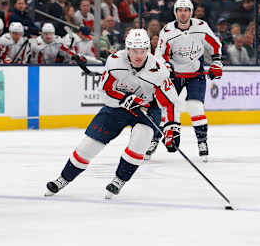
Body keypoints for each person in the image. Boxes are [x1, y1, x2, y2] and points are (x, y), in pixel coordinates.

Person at [45, 29, 180, 198]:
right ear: (127, 49)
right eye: (134, 51)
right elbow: (105, 92)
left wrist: (172, 129)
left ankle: (119, 180)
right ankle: (62, 179)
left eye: (143, 51)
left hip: (147, 108)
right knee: (90, 144)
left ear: (148, 50)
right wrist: (125, 99)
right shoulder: (115, 61)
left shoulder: (159, 70)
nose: (139, 55)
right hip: (118, 106)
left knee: (141, 137)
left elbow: (170, 102)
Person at [150, 0, 222, 162]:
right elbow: (160, 55)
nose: (183, 13)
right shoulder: (167, 31)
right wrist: (165, 66)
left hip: (195, 75)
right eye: (180, 10)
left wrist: (217, 62)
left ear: (191, 12)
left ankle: (202, 141)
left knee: (195, 106)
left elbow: (215, 46)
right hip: (174, 76)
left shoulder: (201, 27)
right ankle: (154, 139)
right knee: (165, 109)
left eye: (186, 10)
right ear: (175, 12)